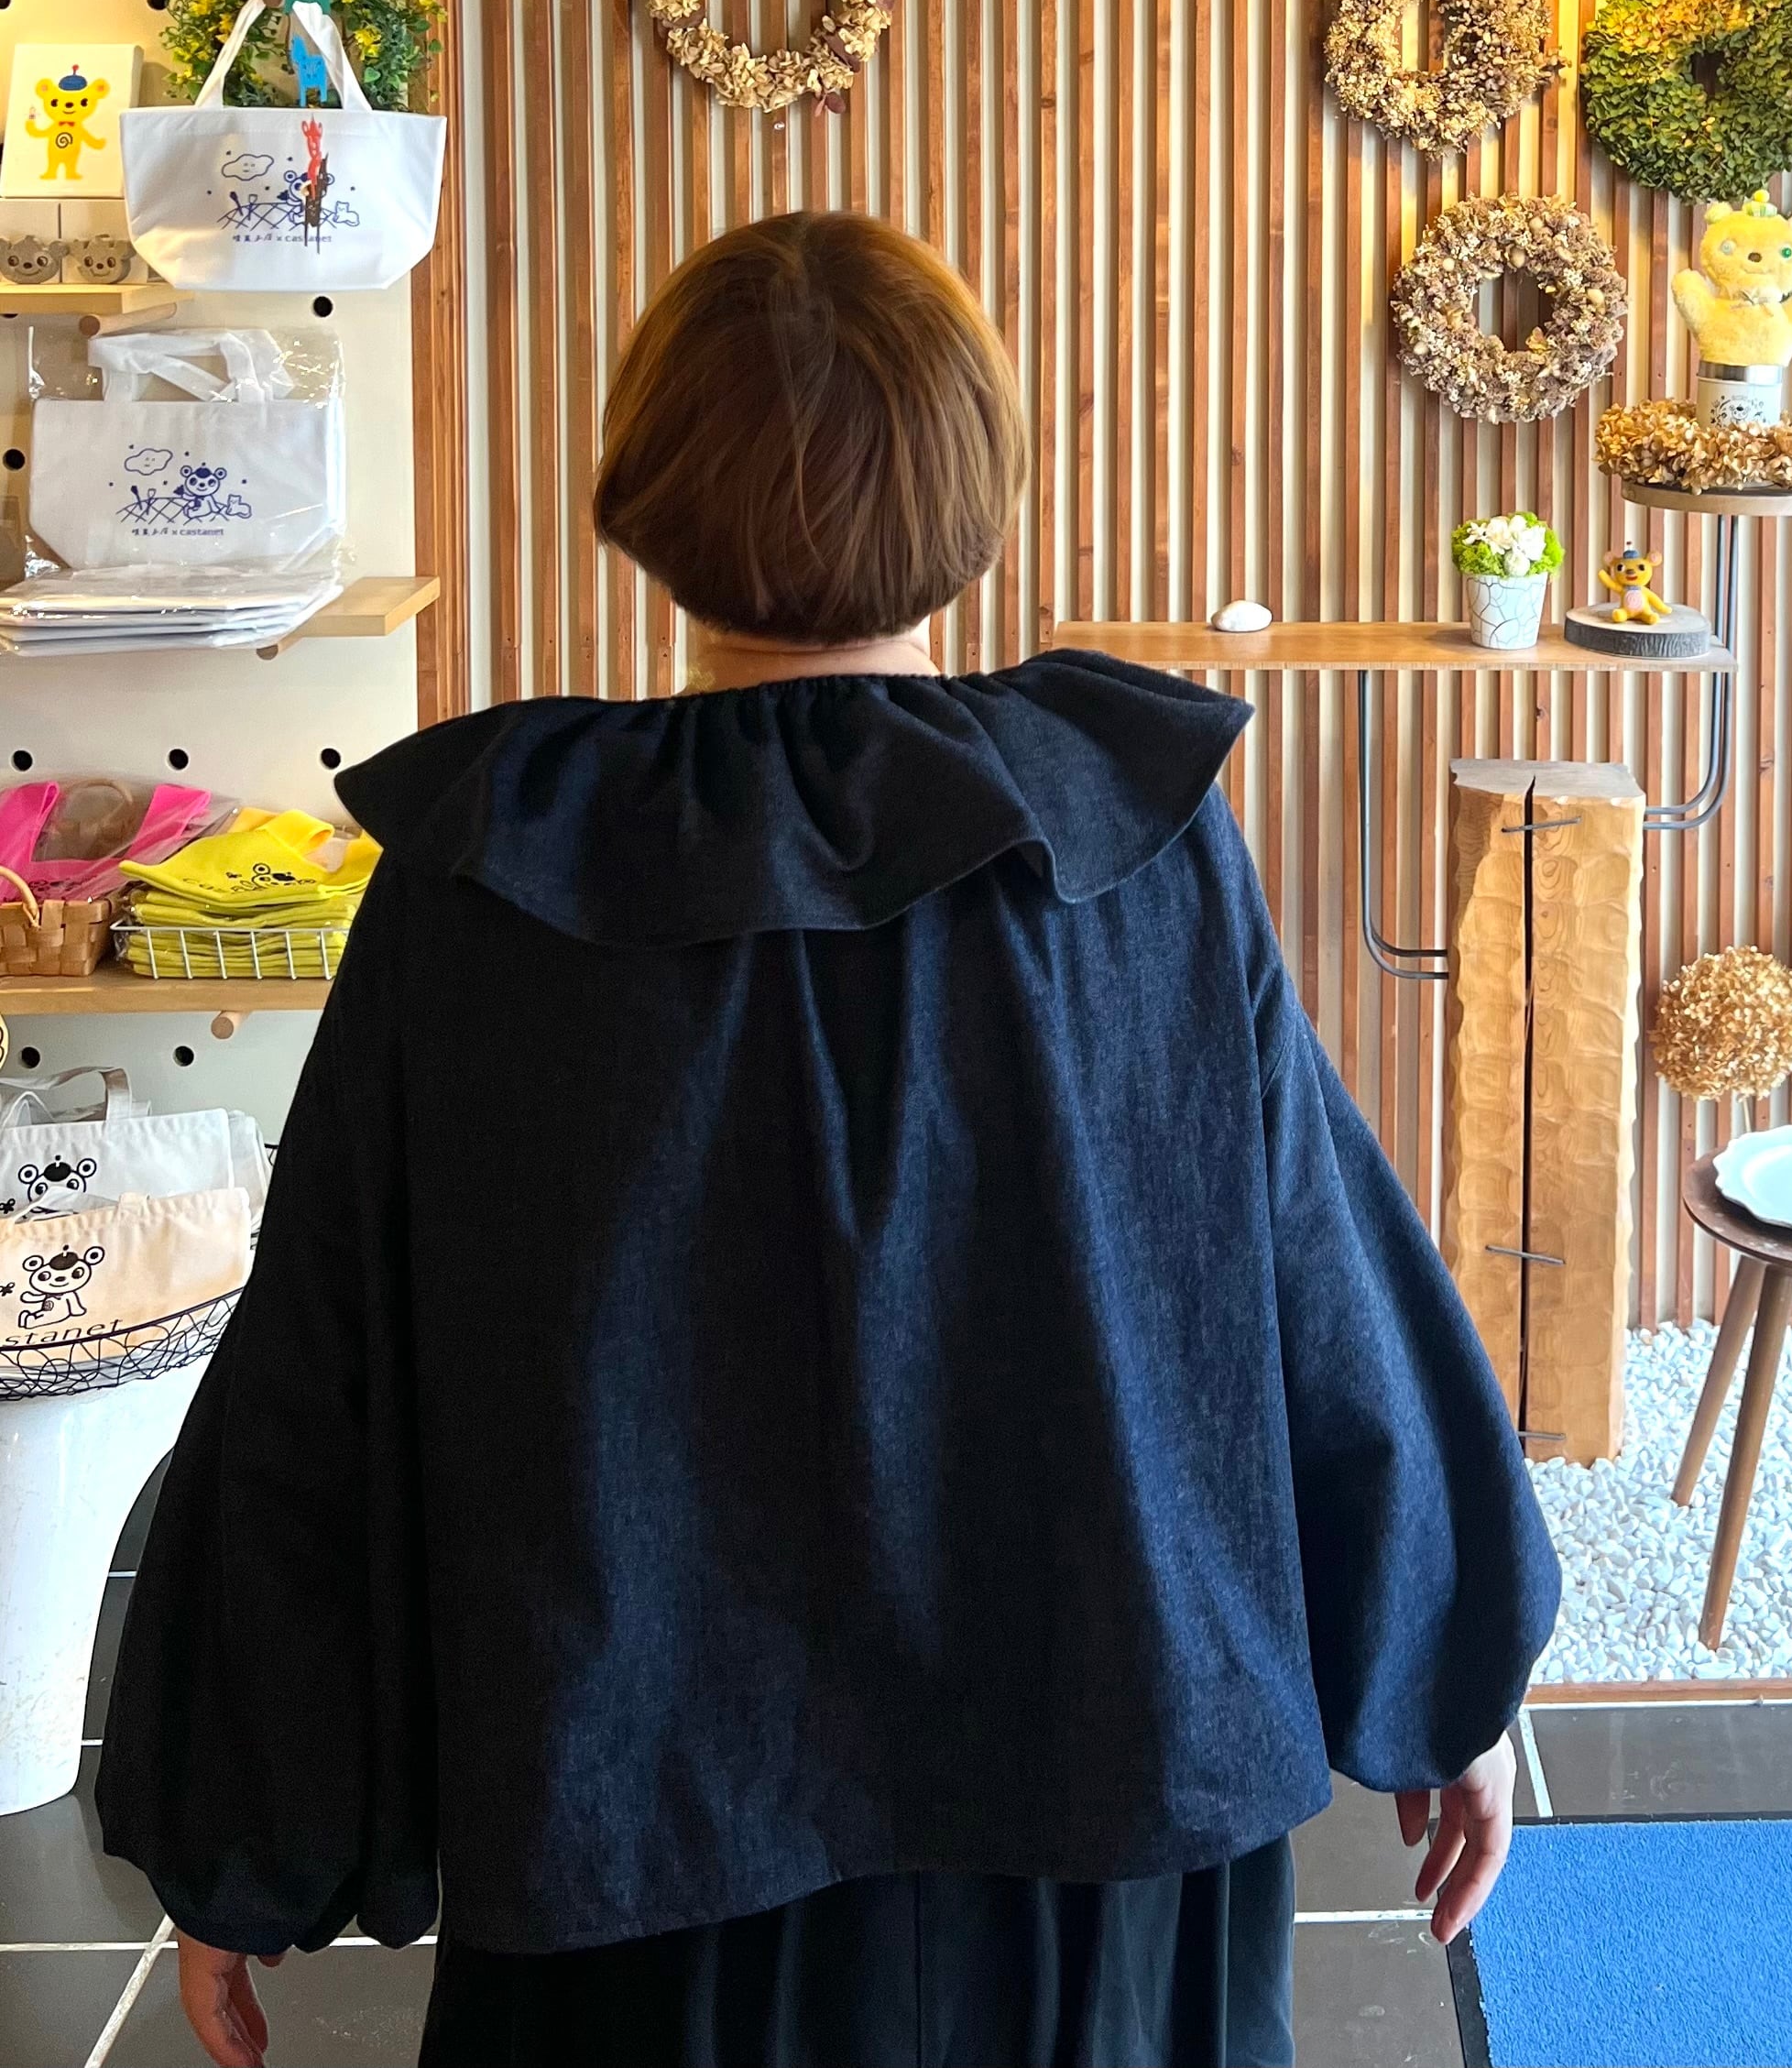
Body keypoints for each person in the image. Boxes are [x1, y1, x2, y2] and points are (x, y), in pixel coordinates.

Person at [98, 211, 1558, 2068]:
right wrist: (1444, 1677)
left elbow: (327, 1371)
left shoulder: (492, 884)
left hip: (640, 1837)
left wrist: (244, 1836)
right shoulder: (1127, 842)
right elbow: (1305, 1271)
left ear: (644, 487)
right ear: (977, 483)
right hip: (1101, 1814)